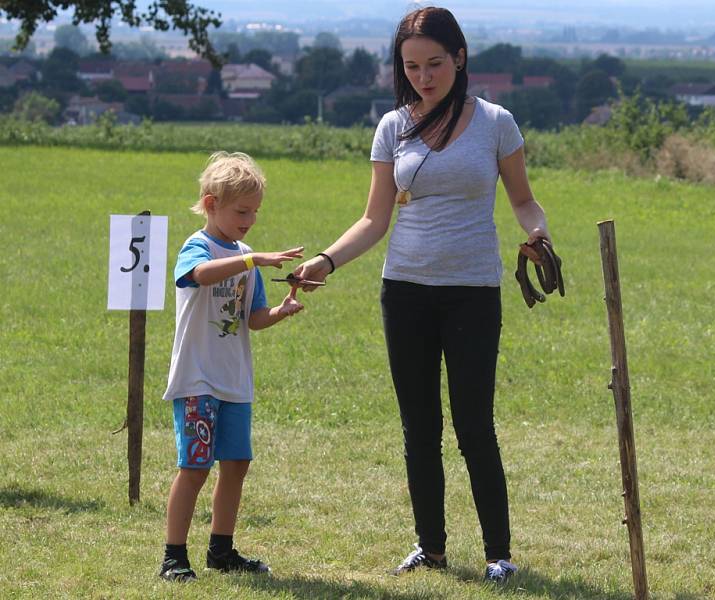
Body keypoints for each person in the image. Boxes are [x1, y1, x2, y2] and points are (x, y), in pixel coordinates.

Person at [293, 6, 552, 584]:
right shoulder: (392, 127)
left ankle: (499, 555)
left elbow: (524, 201)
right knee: (419, 428)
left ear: (459, 59)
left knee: (474, 425)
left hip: (473, 292)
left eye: (435, 63)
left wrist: (538, 235)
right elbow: (374, 219)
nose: (424, 76)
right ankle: (430, 547)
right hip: (404, 292)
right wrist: (327, 261)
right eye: (412, 66)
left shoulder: (496, 123)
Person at [159, 151, 305, 581]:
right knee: (195, 467)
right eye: (242, 211)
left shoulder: (245, 255)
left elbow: (253, 319)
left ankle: (221, 551)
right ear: (211, 204)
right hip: (197, 380)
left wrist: (281, 310)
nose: (250, 221)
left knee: (236, 464)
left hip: (234, 382)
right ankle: (173, 556)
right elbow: (197, 276)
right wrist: (252, 259)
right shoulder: (198, 246)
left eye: (255, 212)